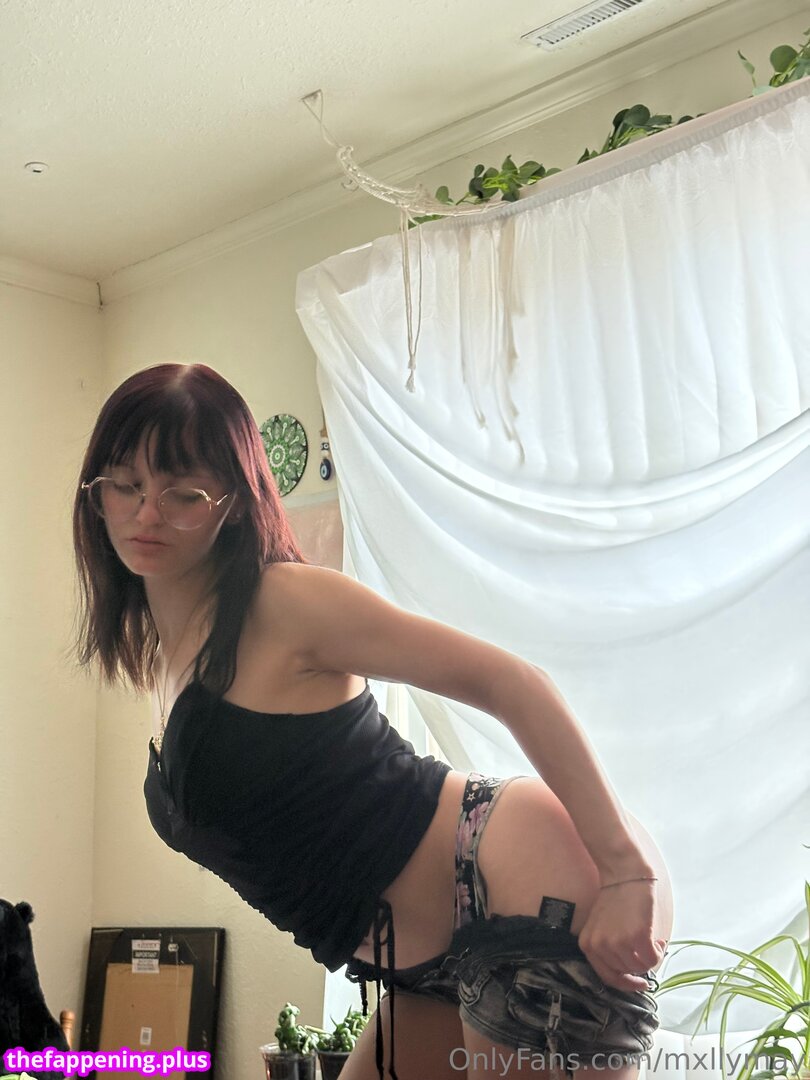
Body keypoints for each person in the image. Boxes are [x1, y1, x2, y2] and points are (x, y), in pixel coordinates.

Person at [72, 362, 673, 1080]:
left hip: (524, 881)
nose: (147, 513)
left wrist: (626, 872)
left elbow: (512, 682)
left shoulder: (286, 604)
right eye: (125, 485)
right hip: (424, 964)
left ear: (232, 502)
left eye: (183, 493)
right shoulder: (167, 655)